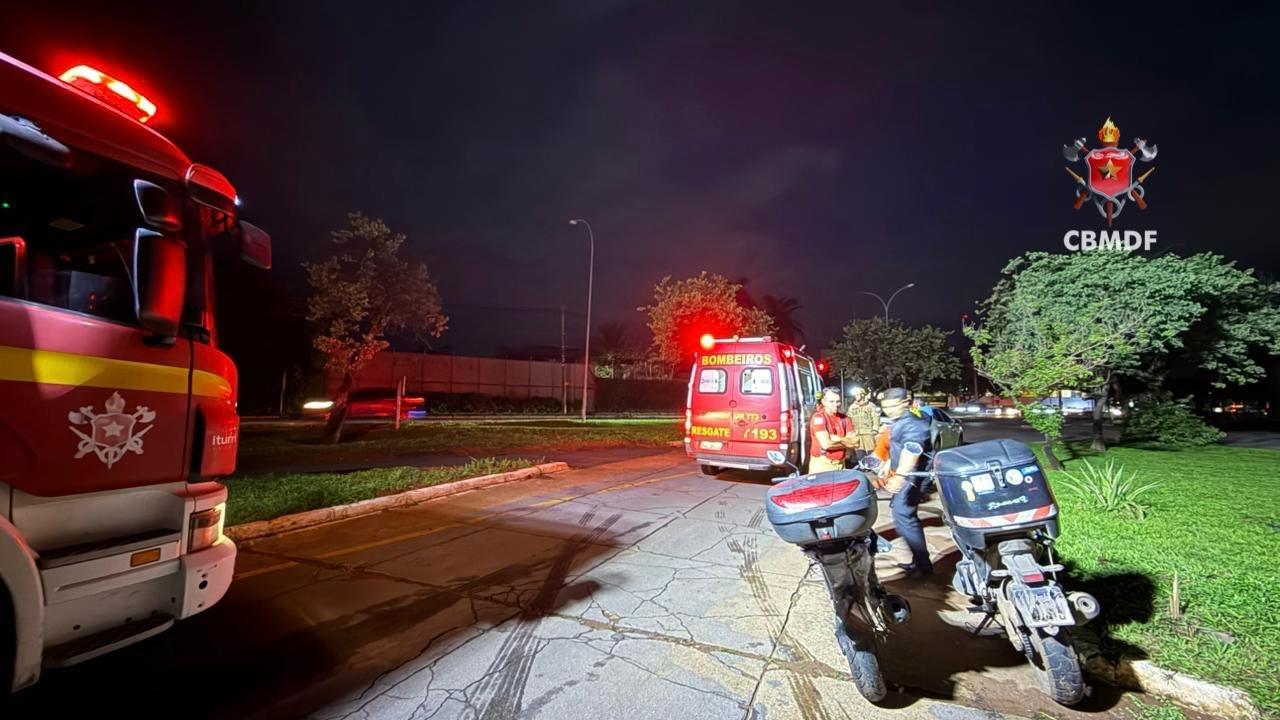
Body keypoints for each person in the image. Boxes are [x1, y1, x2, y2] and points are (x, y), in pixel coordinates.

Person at [875, 388, 934, 578]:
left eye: (892, 406)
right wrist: (887, 464)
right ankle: (919, 562)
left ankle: (924, 567)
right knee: (903, 516)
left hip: (913, 477)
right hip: (908, 475)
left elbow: (911, 451)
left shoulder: (914, 424)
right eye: (885, 407)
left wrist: (900, 476)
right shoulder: (900, 421)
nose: (888, 410)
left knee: (904, 516)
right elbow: (897, 448)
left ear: (905, 403)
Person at [809, 386, 855, 473]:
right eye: (831, 401)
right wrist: (848, 443)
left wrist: (839, 439)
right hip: (822, 464)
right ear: (824, 402)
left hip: (841, 464)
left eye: (838, 401)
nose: (836, 404)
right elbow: (826, 444)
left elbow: (856, 442)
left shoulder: (845, 419)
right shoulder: (819, 417)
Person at [847, 387, 880, 460]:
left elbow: (876, 418)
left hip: (868, 434)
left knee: (871, 453)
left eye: (857, 395)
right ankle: (861, 464)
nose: (855, 396)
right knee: (859, 453)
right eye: (855, 395)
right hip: (857, 434)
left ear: (862, 395)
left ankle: (872, 464)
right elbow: (848, 419)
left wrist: (875, 430)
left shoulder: (871, 406)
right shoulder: (852, 407)